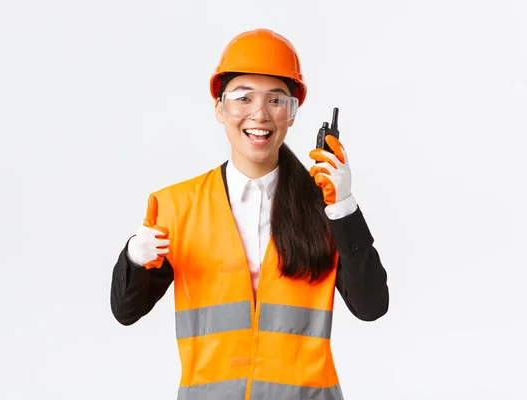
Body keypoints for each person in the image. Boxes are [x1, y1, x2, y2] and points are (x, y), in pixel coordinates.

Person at [110, 28, 389, 400]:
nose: (260, 114)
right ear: (219, 108)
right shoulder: (176, 207)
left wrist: (343, 207)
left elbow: (371, 306)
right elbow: (126, 311)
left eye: (276, 100)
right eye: (243, 98)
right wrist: (133, 256)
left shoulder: (322, 206)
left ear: (292, 114)